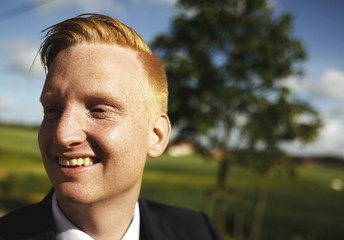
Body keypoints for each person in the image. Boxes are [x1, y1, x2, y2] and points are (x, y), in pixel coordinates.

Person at [0, 14, 222, 240]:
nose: (62, 134)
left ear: (156, 136)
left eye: (98, 110)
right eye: (53, 110)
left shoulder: (198, 231)